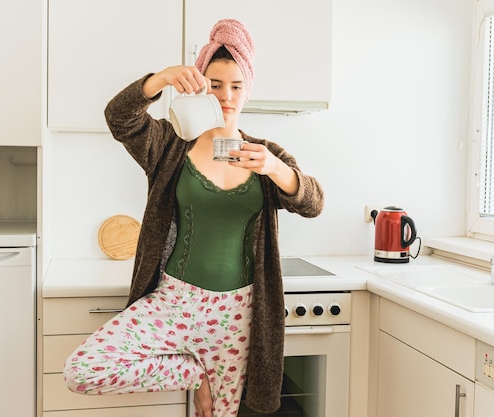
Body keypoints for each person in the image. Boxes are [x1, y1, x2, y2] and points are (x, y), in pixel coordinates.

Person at [62, 18, 324, 417]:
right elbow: (119, 118)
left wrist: (275, 168)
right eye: (216, 84)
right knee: (82, 369)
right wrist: (159, 80)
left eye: (236, 86)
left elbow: (314, 202)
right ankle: (192, 372)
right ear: (201, 85)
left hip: (238, 314)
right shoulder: (169, 145)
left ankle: (202, 376)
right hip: (174, 301)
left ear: (247, 89)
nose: (226, 96)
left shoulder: (266, 155)